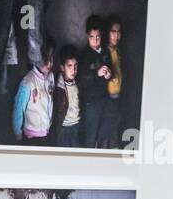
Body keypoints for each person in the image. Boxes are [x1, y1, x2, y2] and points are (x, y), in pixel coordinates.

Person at [77, 15, 113, 148]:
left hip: (105, 98)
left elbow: (112, 71)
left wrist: (109, 75)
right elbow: (81, 78)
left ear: (101, 35)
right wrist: (96, 74)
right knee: (91, 135)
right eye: (92, 37)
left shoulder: (106, 52)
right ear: (87, 36)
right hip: (91, 102)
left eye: (97, 36)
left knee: (104, 133)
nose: (95, 40)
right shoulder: (84, 55)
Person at [11, 42, 55, 143]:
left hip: (47, 132)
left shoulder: (51, 77)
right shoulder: (27, 83)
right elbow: (18, 109)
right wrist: (17, 132)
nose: (49, 63)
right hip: (32, 137)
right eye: (45, 59)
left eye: (51, 58)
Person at [51, 46, 82, 147]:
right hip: (64, 128)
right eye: (69, 66)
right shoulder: (57, 86)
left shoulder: (78, 83)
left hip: (77, 125)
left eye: (75, 65)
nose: (74, 70)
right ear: (62, 68)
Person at [102, 14, 125, 148]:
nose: (116, 35)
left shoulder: (117, 50)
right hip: (107, 98)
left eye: (119, 32)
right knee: (107, 133)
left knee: (115, 130)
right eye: (113, 32)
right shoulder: (105, 51)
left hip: (118, 96)